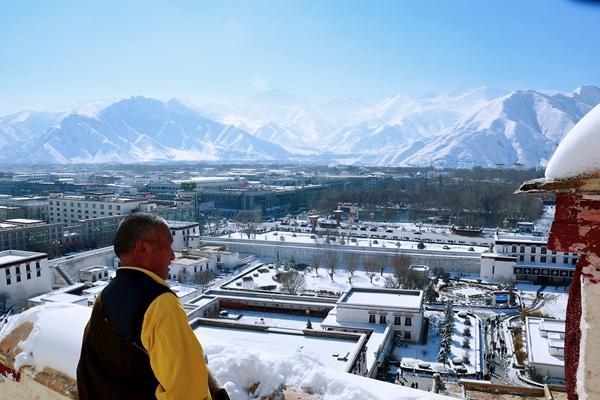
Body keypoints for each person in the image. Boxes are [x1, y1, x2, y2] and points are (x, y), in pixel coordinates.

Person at [77, 213, 228, 400]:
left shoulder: (107, 294)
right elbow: (187, 391)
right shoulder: (160, 304)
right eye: (169, 247)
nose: (173, 256)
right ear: (143, 250)